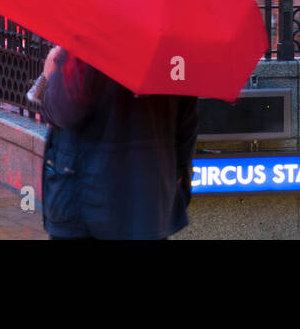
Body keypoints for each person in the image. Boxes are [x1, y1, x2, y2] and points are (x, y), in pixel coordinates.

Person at [38, 45, 198, 240]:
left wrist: (52, 75)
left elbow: (64, 111)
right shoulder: (174, 47)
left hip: (83, 203)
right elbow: (186, 126)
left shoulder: (90, 37)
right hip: (149, 204)